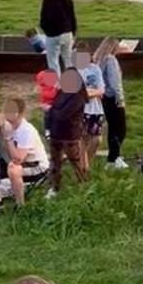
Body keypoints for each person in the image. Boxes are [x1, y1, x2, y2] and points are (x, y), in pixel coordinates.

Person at [46, 68, 89, 197]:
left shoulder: (78, 96)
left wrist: (51, 111)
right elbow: (51, 110)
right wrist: (49, 121)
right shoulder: (61, 92)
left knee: (75, 162)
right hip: (55, 132)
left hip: (70, 135)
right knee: (55, 162)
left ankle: (84, 186)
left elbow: (62, 114)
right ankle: (55, 187)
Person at [0, 96, 49, 205]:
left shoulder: (26, 131)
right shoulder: (9, 126)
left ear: (19, 113)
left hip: (36, 167)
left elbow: (18, 159)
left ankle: (20, 204)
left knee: (14, 170)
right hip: (19, 161)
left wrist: (8, 138)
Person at [94, 36, 128, 169]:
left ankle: (112, 158)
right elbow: (115, 83)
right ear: (114, 47)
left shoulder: (99, 60)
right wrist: (120, 100)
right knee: (120, 129)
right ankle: (115, 157)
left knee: (112, 128)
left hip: (104, 98)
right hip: (113, 97)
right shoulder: (111, 60)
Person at [74, 41, 105, 166]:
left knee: (96, 139)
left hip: (96, 110)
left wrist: (88, 93)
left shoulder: (95, 69)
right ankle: (83, 169)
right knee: (82, 139)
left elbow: (102, 90)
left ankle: (85, 162)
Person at [40, 0, 77, 76]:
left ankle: (57, 86)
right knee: (68, 60)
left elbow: (44, 18)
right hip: (67, 32)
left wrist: (46, 31)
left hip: (53, 34)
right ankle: (72, 85)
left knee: (53, 61)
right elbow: (72, 17)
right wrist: (73, 32)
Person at [35, 68, 59, 137]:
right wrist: (55, 88)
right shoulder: (43, 87)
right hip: (47, 104)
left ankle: (54, 129)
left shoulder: (52, 84)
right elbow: (50, 95)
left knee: (55, 117)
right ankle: (47, 130)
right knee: (47, 117)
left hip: (55, 103)